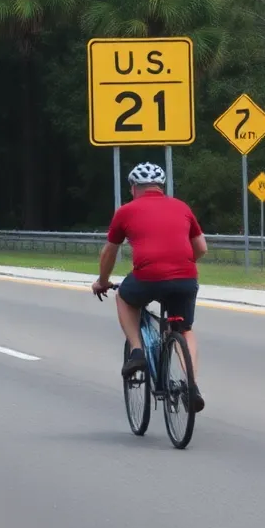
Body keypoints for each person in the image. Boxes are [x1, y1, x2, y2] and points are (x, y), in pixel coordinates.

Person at [92, 162, 208, 411]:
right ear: (161, 186)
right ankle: (191, 385)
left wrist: (102, 282)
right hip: (185, 276)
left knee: (124, 297)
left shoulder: (125, 211)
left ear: (134, 187)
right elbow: (201, 247)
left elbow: (110, 252)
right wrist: (179, 264)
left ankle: (136, 351)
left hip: (147, 276)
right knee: (184, 329)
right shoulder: (181, 207)